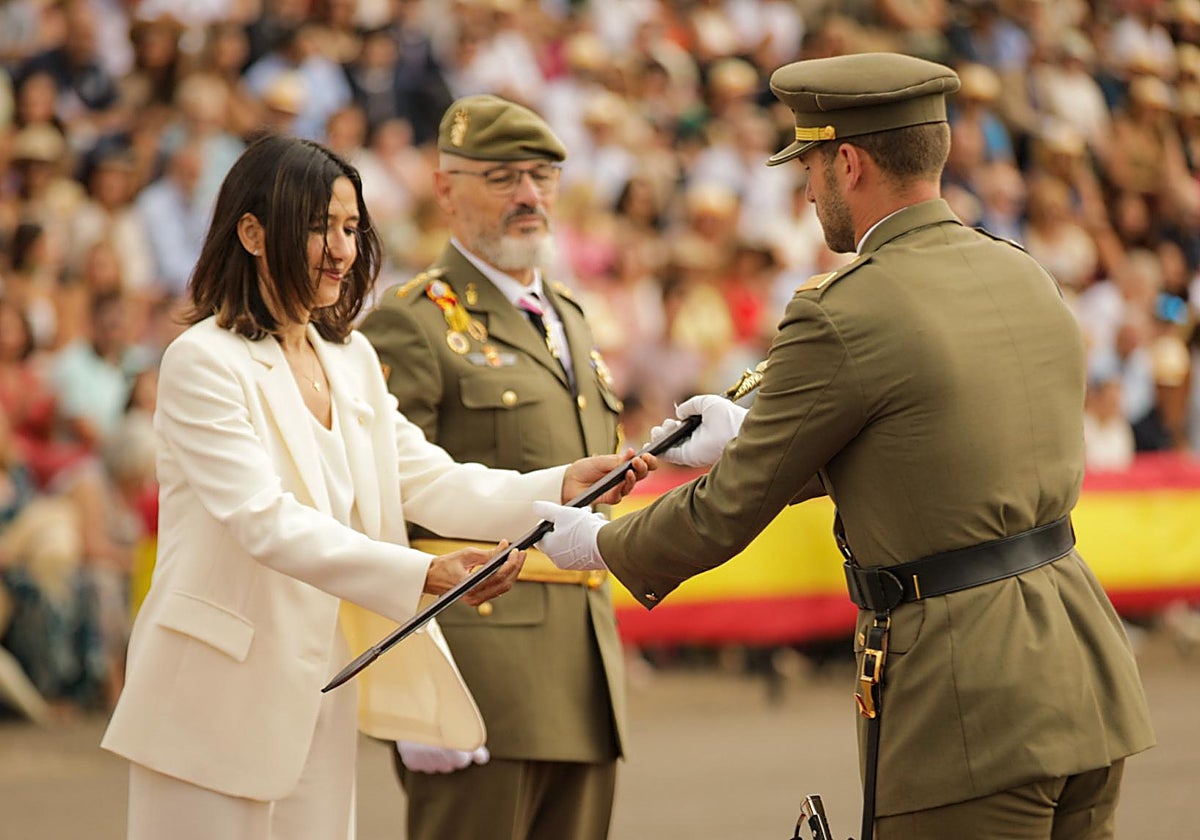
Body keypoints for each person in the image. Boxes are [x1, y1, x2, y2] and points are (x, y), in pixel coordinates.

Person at [534, 52, 1155, 840]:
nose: (805, 190)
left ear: (849, 163)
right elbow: (933, 447)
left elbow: (730, 511)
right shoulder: (1022, 272)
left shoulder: (842, 310)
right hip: (1084, 665)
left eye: (810, 167)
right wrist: (749, 437)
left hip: (968, 697)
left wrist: (602, 544)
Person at [99, 132, 650, 840]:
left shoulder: (350, 356)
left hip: (319, 694)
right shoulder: (201, 361)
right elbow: (264, 519)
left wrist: (560, 482)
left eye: (352, 228)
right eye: (319, 226)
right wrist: (425, 573)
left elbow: (428, 478)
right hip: (210, 700)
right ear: (252, 233)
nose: (340, 249)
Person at [357, 94, 627, 840]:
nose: (530, 196)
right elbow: (383, 514)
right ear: (446, 190)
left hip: (584, 669)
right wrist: (414, 685)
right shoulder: (410, 322)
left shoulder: (569, 316)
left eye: (542, 176)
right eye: (505, 177)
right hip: (479, 677)